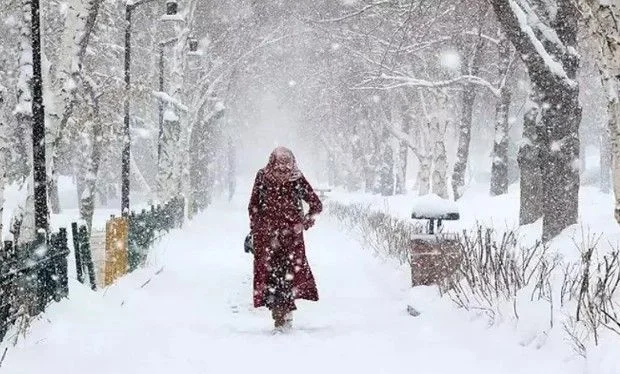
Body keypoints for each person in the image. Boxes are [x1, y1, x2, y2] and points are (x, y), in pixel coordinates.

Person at [248, 147, 323, 332]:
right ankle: (284, 315)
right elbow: (316, 204)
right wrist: (305, 222)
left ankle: (279, 315)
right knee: (287, 276)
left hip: (268, 238)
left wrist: (257, 228)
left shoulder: (263, 176)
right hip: (291, 238)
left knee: (272, 276)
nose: (282, 168)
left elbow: (253, 206)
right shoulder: (296, 178)